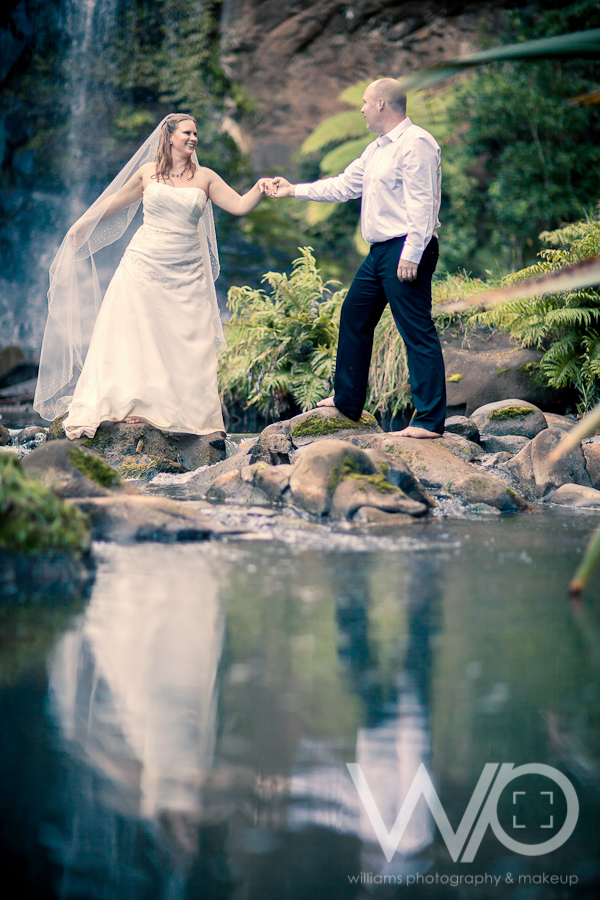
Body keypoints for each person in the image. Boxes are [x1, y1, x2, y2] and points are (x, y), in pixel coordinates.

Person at [33, 113, 274, 439]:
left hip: (187, 274)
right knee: (135, 337)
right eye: (188, 132)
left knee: (189, 344)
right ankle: (135, 406)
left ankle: (190, 416)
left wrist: (260, 187)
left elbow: (241, 205)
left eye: (196, 133)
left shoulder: (205, 177)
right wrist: (84, 223)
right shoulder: (148, 174)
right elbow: (114, 202)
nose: (193, 138)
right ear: (170, 136)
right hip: (143, 266)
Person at [272, 78, 446, 438]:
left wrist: (412, 253)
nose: (362, 109)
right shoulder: (376, 149)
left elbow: (424, 202)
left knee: (416, 331)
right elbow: (342, 185)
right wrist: (293, 190)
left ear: (382, 104)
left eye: (366, 102)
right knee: (353, 314)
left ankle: (429, 421)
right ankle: (348, 401)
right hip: (380, 251)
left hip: (406, 248)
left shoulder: (417, 144)